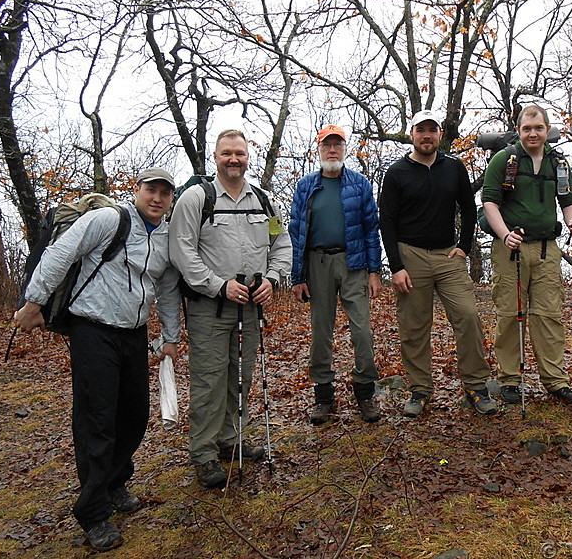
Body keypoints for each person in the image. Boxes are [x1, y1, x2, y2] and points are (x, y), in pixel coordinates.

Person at [14, 168, 181, 552]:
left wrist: (169, 338)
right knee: (97, 419)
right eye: (151, 191)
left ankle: (115, 482)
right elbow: (61, 254)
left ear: (171, 198)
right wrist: (33, 302)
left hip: (134, 334)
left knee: (134, 414)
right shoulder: (108, 219)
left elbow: (168, 288)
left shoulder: (167, 237)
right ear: (136, 190)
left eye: (164, 193)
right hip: (93, 330)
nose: (157, 198)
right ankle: (93, 512)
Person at [169, 129, 291, 489]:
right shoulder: (195, 199)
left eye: (239, 153)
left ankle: (231, 439)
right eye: (226, 154)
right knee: (209, 380)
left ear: (247, 156)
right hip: (210, 308)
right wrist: (218, 285)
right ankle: (204, 454)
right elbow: (182, 251)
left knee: (241, 376)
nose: (233, 159)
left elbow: (281, 243)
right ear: (216, 157)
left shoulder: (266, 201)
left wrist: (272, 278)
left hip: (251, 307)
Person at [379, 109, 496, 418]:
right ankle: (420, 390)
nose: (426, 135)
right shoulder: (396, 173)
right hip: (410, 256)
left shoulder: (454, 168)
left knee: (468, 316)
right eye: (421, 130)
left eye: (432, 129)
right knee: (414, 327)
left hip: (448, 255)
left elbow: (469, 209)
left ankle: (475, 385)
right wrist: (396, 266)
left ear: (440, 134)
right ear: (411, 134)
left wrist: (464, 247)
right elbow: (386, 221)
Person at [482, 105, 572, 405]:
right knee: (510, 314)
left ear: (547, 128)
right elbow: (490, 202)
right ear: (518, 130)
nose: (533, 133)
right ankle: (510, 379)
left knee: (549, 314)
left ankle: (555, 380)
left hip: (546, 249)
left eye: (538, 128)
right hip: (509, 249)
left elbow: (568, 200)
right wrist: (504, 234)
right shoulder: (504, 159)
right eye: (527, 128)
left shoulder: (559, 162)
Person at [289, 125, 383, 425]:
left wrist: (374, 270)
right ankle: (324, 395)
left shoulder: (359, 184)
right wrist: (297, 276)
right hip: (317, 263)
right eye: (326, 145)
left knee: (362, 331)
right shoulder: (306, 186)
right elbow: (296, 233)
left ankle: (365, 391)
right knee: (321, 333)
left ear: (345, 149)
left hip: (353, 262)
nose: (332, 150)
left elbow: (371, 229)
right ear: (318, 150)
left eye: (337, 145)